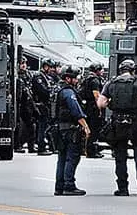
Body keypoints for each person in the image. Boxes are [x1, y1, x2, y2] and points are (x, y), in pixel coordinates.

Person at [97, 59, 137, 196]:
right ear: (133, 70)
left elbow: (101, 103)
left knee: (120, 156)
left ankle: (122, 188)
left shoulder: (110, 83)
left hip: (118, 124)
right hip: (135, 123)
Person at [52, 65, 89, 196]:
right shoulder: (68, 92)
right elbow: (76, 111)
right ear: (68, 78)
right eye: (75, 78)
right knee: (72, 158)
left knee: (62, 158)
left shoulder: (57, 89)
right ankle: (69, 185)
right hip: (70, 129)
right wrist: (85, 126)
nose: (77, 80)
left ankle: (59, 186)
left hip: (59, 129)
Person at [78, 62, 105, 159]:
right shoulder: (95, 81)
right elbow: (97, 96)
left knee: (86, 129)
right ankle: (91, 151)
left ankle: (83, 149)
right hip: (93, 108)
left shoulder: (86, 79)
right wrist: (100, 109)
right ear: (97, 70)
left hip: (86, 107)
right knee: (94, 130)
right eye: (101, 69)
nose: (102, 71)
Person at [32, 59, 56, 155]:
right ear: (45, 66)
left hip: (46, 105)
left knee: (45, 125)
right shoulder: (39, 77)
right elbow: (43, 91)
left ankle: (44, 145)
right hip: (40, 104)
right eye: (50, 67)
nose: (51, 70)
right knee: (42, 126)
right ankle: (41, 147)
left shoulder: (46, 77)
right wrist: (50, 91)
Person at [14, 56, 38, 153]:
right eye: (21, 63)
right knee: (19, 126)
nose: (23, 65)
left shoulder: (28, 75)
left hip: (27, 103)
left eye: (24, 63)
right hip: (19, 103)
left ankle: (31, 146)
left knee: (31, 125)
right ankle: (17, 145)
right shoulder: (16, 76)